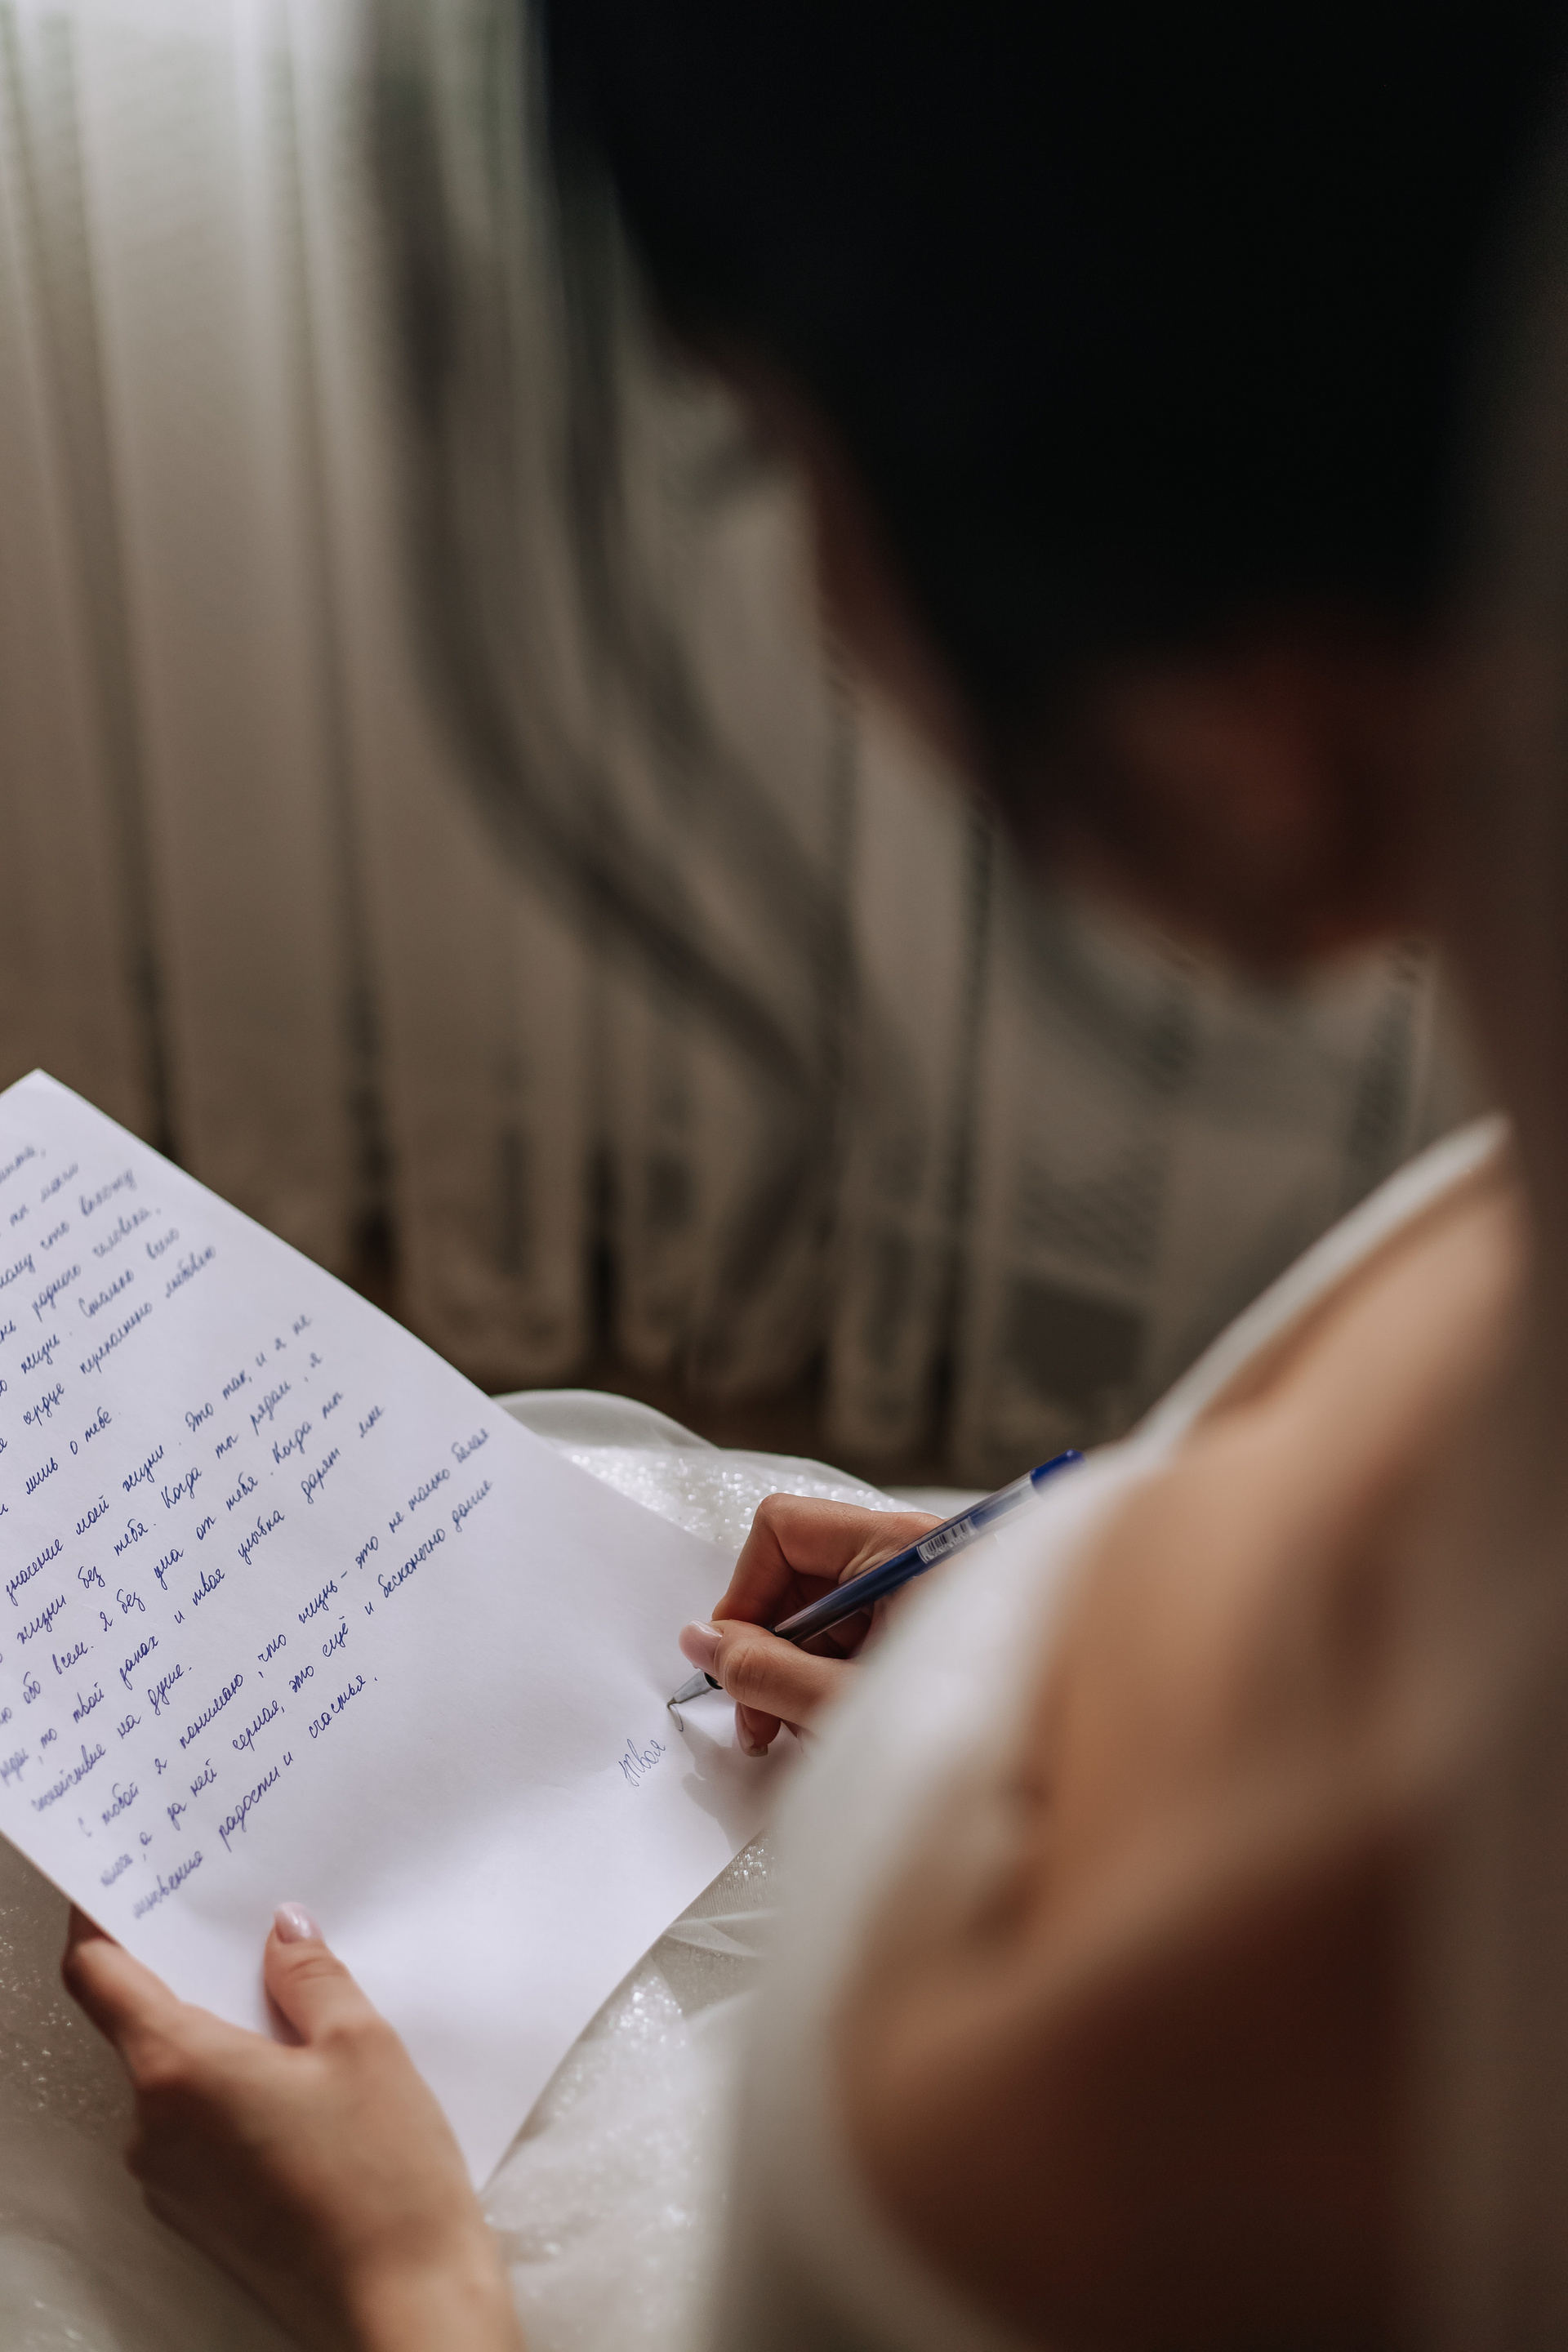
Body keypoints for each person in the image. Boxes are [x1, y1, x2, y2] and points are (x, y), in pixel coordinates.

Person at [60, 2, 1568, 2343]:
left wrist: (401, 2277)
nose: (814, 600)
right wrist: (1062, 1570)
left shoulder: (1147, 2088)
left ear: (1247, 715)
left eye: (771, 452)